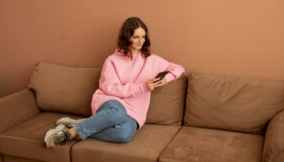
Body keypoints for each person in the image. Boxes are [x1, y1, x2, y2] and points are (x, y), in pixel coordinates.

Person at [44, 17, 185, 148]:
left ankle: (82, 125)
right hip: (111, 102)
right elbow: (111, 88)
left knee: (124, 134)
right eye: (135, 37)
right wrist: (142, 87)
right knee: (118, 113)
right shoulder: (112, 60)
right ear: (126, 37)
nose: (140, 41)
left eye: (143, 37)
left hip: (135, 111)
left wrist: (165, 79)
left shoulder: (152, 60)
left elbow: (179, 68)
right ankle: (71, 133)